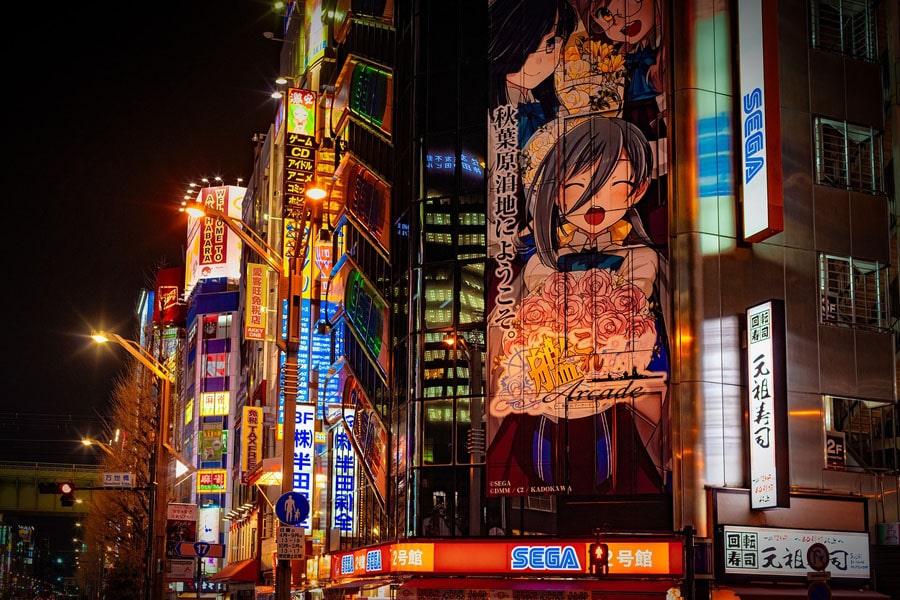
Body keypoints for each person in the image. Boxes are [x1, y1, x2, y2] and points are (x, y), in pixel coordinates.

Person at [487, 115, 669, 496]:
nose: (593, 199)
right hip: (545, 407)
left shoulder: (642, 258)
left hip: (610, 406)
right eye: (578, 185)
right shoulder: (540, 262)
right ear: (556, 194)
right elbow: (502, 333)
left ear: (637, 190)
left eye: (610, 183)